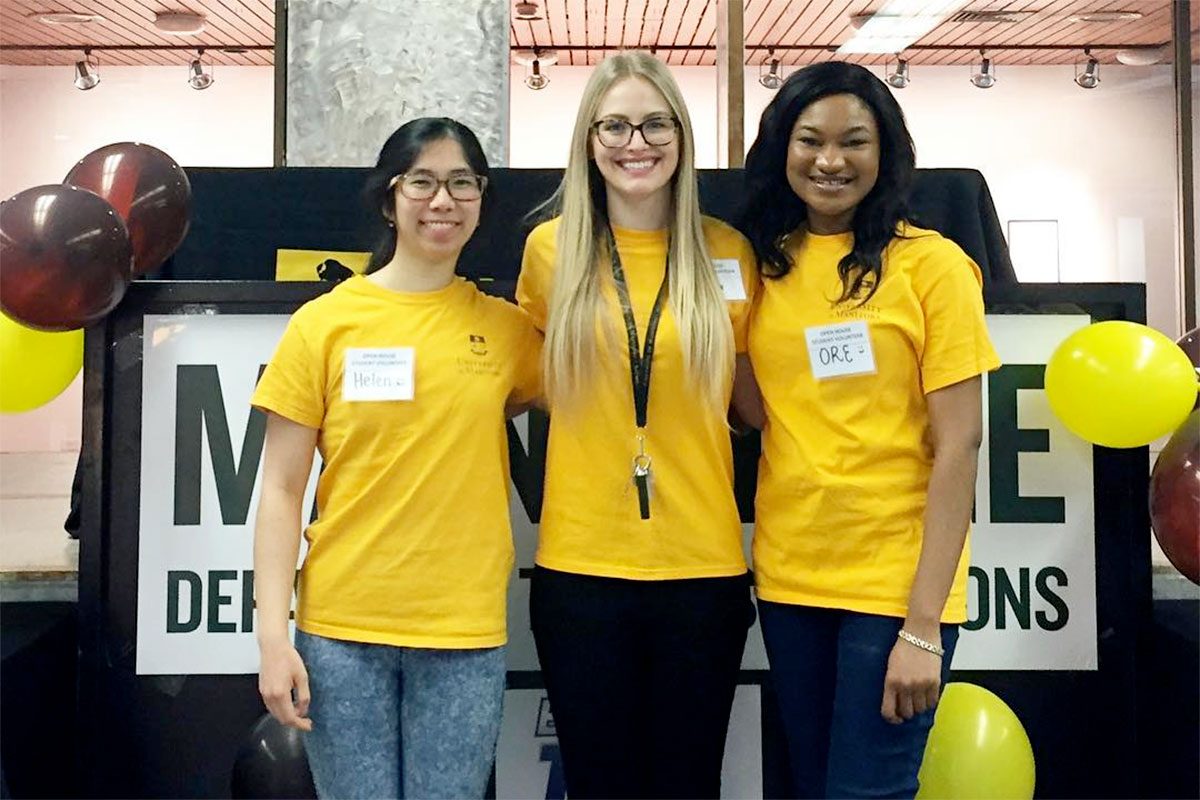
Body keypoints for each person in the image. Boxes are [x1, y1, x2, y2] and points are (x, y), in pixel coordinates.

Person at [251, 117, 541, 800]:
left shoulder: (507, 330)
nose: (442, 201)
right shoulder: (324, 323)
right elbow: (282, 490)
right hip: (341, 632)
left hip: (463, 634)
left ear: (481, 200)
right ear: (391, 198)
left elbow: (593, 397)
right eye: (423, 182)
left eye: (461, 183)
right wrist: (272, 635)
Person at [737, 61, 1002, 799]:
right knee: (814, 785)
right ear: (781, 149)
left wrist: (922, 627)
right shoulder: (765, 266)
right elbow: (757, 410)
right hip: (791, 581)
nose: (830, 161)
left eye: (854, 141)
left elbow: (961, 445)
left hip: (893, 590)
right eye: (809, 140)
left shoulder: (934, 266)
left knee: (868, 793)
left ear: (885, 153)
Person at [515, 51, 758, 799]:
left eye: (656, 124)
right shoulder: (551, 251)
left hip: (702, 571)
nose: (636, 142)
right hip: (582, 570)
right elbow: (521, 379)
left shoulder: (726, 251)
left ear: (681, 137)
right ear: (589, 140)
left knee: (690, 784)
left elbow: (755, 403)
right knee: (599, 784)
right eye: (614, 124)